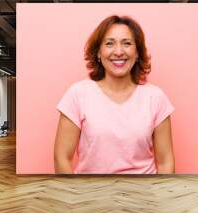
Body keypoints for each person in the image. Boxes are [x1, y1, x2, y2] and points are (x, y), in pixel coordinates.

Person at [54, 15, 175, 174]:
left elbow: (166, 162)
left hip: (144, 195)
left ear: (137, 52)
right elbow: (61, 157)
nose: (118, 52)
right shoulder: (78, 94)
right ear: (98, 52)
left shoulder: (156, 97)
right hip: (90, 194)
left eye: (127, 43)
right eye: (109, 43)